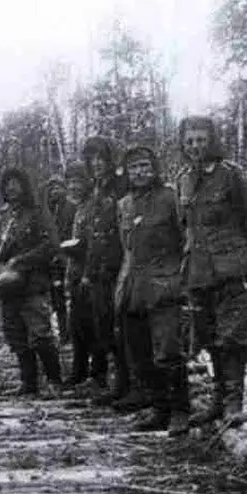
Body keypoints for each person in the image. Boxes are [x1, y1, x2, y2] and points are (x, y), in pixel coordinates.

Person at [177, 116, 247, 426]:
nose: (195, 146)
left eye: (201, 140)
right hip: (198, 272)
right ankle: (218, 401)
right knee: (209, 336)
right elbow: (185, 227)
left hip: (230, 271)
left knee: (233, 337)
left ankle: (233, 403)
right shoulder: (183, 179)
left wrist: (242, 258)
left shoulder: (232, 175)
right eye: (190, 141)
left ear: (212, 141)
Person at [115, 146, 191, 435]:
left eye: (145, 166)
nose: (140, 172)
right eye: (134, 167)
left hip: (165, 285)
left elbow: (186, 240)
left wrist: (179, 279)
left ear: (154, 168)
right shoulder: (124, 204)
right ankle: (159, 408)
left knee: (168, 350)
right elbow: (127, 250)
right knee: (141, 351)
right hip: (135, 287)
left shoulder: (170, 198)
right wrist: (121, 289)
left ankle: (180, 411)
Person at [0, 167, 62, 396]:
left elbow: (51, 244)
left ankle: (54, 381)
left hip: (32, 282)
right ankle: (28, 382)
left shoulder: (37, 213)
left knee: (40, 334)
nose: (12, 188)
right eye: (7, 184)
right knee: (16, 336)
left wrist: (22, 260)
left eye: (16, 183)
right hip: (8, 286)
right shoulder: (5, 217)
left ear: (25, 186)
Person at [80, 138, 135, 408]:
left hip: (120, 267)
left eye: (101, 158)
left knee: (122, 327)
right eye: (92, 159)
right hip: (99, 270)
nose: (97, 164)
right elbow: (93, 234)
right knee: (105, 327)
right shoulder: (96, 190)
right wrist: (88, 270)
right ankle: (120, 383)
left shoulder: (122, 187)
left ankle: (130, 385)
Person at [61, 165, 102, 387]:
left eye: (78, 181)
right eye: (70, 182)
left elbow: (95, 243)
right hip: (77, 273)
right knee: (76, 325)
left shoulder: (95, 206)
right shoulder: (78, 208)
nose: (73, 187)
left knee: (91, 325)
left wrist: (87, 270)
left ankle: (97, 373)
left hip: (90, 274)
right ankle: (79, 370)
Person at [43, 174, 75, 343]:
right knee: (57, 299)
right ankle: (63, 333)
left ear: (64, 189)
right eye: (52, 188)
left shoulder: (72, 208)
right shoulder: (45, 211)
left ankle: (73, 331)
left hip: (68, 257)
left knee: (72, 296)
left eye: (58, 187)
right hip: (51, 260)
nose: (55, 191)